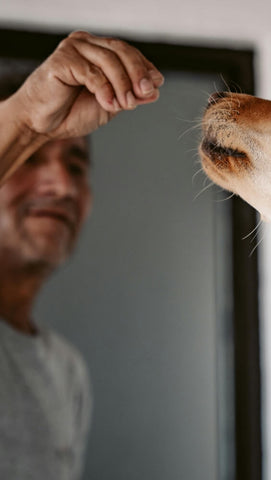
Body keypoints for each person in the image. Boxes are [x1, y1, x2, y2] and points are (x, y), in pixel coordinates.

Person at [0, 31, 164, 479]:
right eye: (32, 159)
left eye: (76, 166)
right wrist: (27, 120)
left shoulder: (67, 371)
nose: (63, 186)